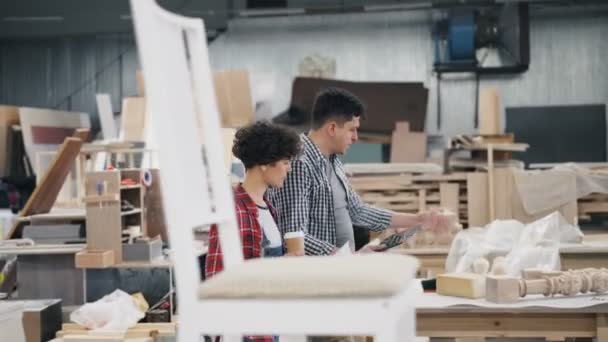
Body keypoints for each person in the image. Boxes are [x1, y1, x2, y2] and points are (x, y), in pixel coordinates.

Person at [270, 87, 447, 256]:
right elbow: (293, 235)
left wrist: (417, 219)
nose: (355, 137)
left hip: (339, 269)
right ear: (332, 128)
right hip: (315, 277)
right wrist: (345, 257)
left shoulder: (333, 162)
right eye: (352, 129)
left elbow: (358, 211)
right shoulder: (299, 165)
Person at [204, 121, 301, 342]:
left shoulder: (267, 207)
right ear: (265, 164)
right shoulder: (233, 211)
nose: (289, 169)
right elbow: (219, 280)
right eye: (286, 162)